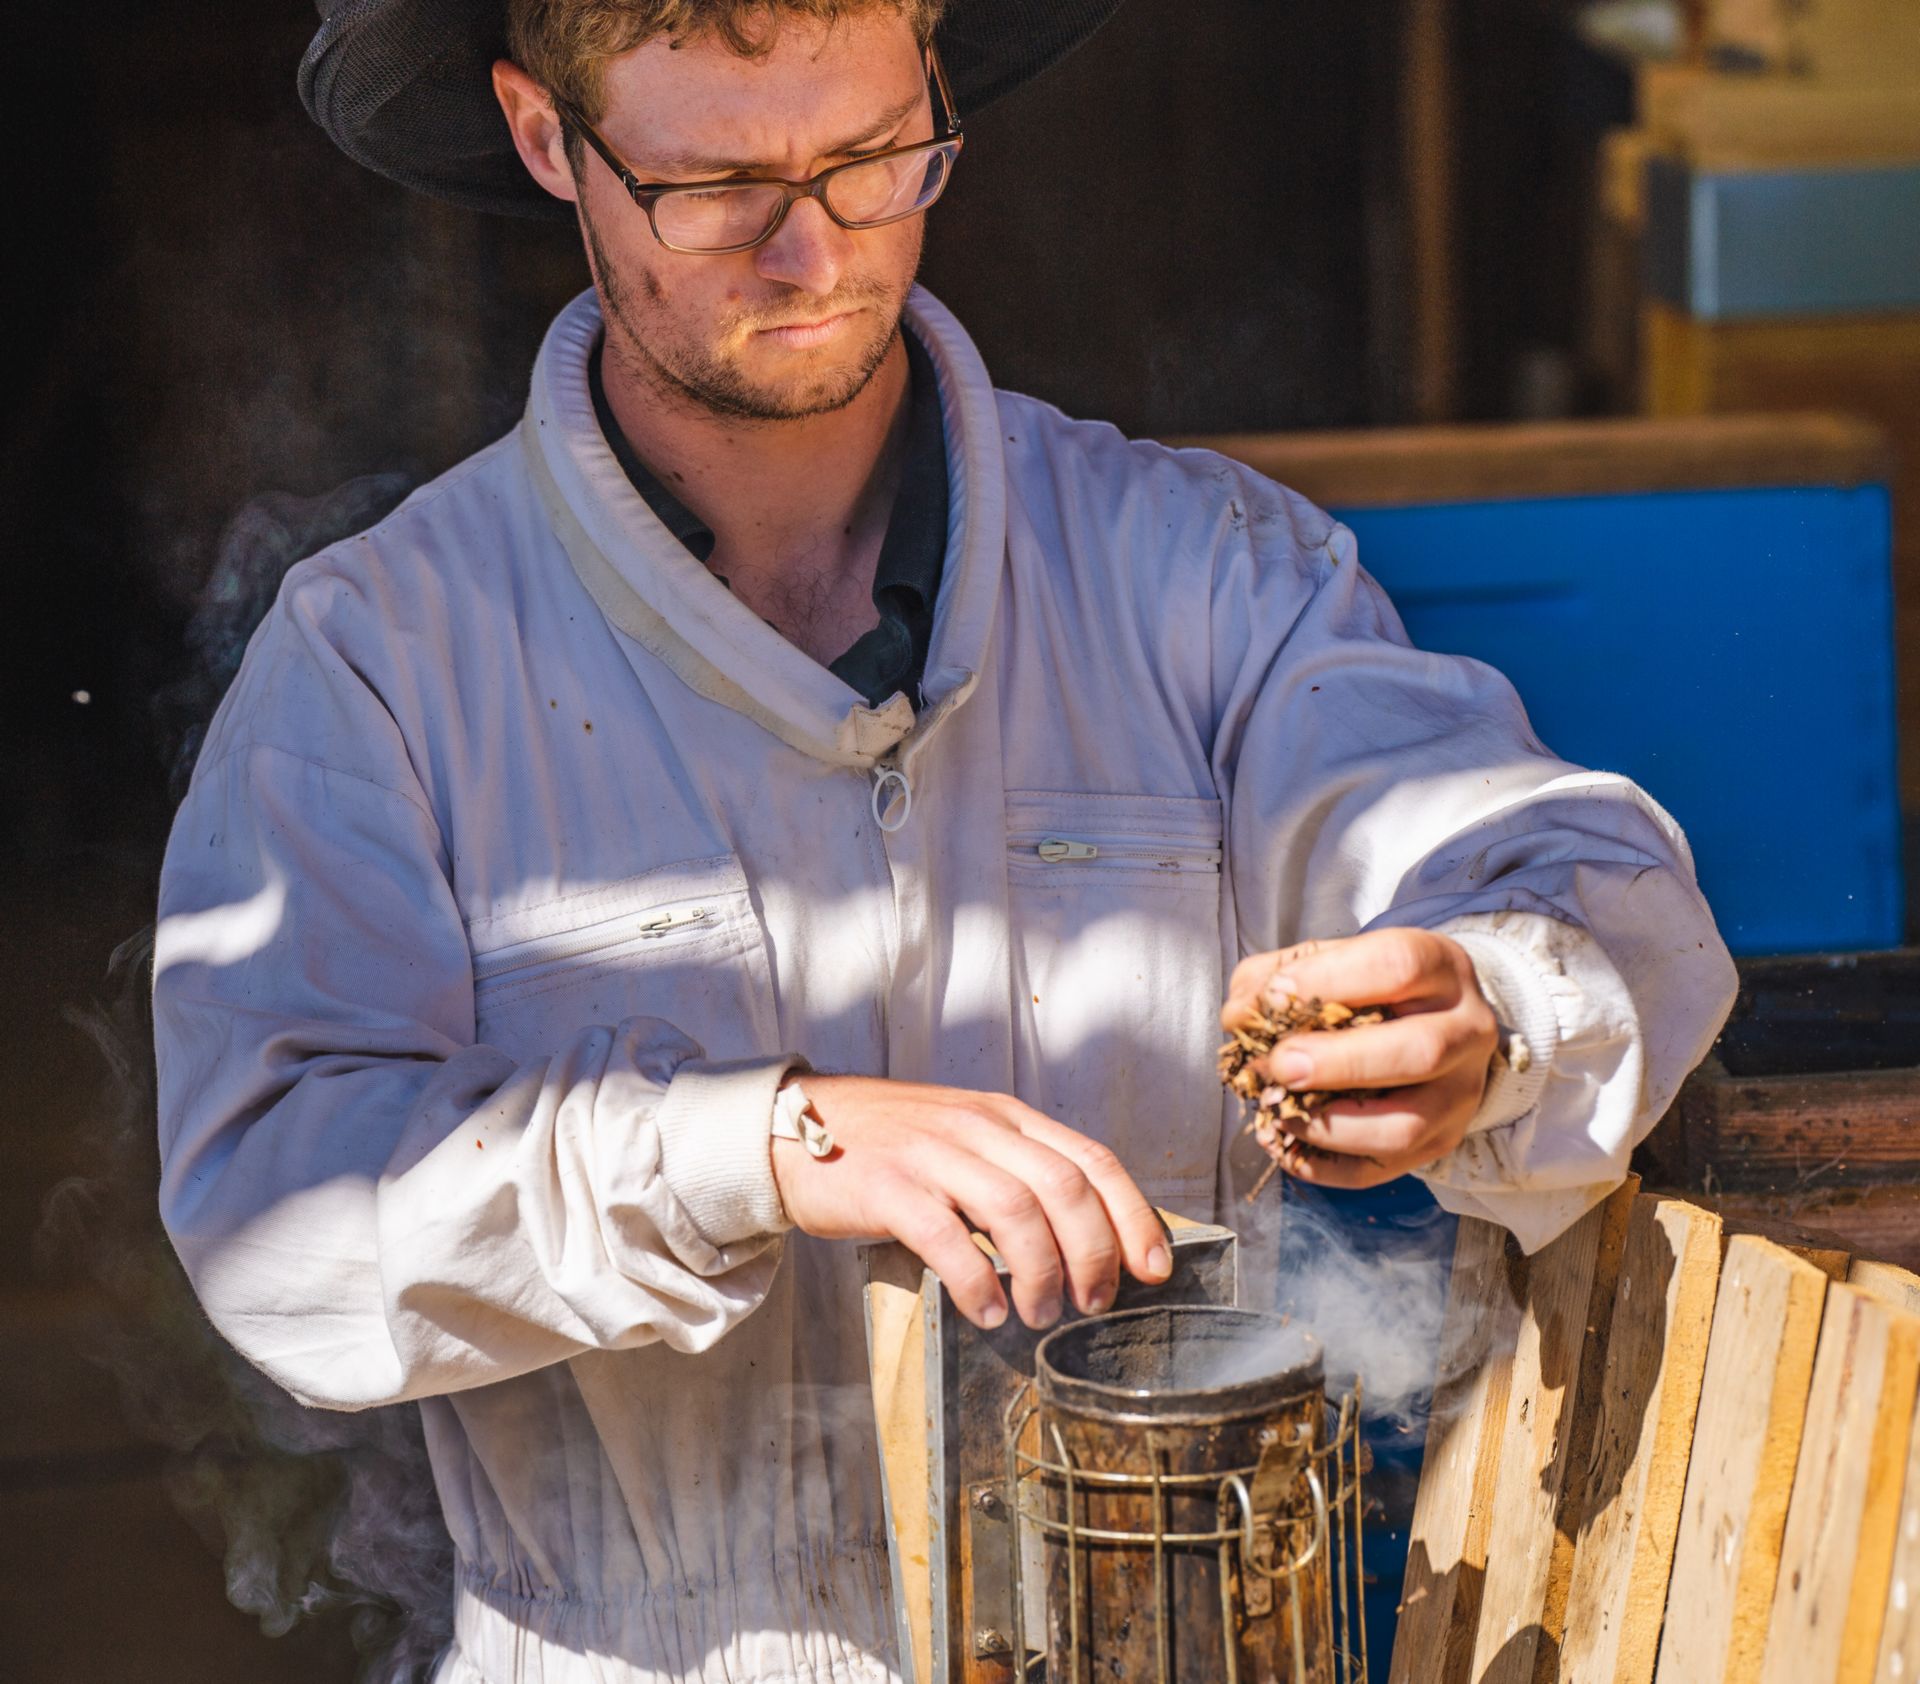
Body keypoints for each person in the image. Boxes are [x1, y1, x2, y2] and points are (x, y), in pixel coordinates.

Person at [152, 2, 1736, 1680]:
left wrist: (1492, 1010)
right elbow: (280, 1218)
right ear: (550, 138)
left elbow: (1581, 891)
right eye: (720, 186)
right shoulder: (378, 659)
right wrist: (755, 1147)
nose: (815, 253)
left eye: (872, 158)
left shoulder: (1205, 571)